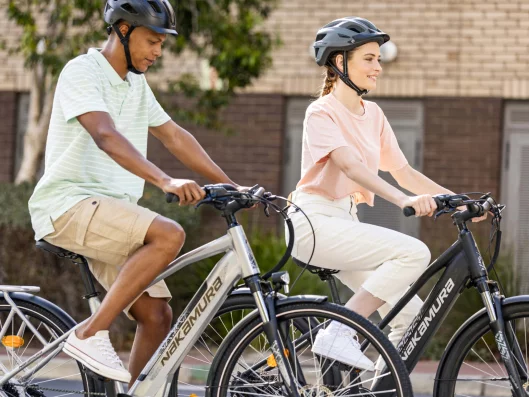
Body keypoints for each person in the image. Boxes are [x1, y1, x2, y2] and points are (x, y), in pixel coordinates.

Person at [28, 0, 245, 385]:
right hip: (68, 204)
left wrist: (231, 185)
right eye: (152, 41)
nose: (158, 52)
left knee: (157, 315)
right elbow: (105, 135)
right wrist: (165, 181)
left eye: (162, 43)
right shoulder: (82, 71)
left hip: (108, 211)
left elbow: (175, 136)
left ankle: (132, 393)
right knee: (168, 233)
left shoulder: (136, 84)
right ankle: (89, 333)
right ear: (124, 31)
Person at [288, 17, 487, 371]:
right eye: (369, 59)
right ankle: (337, 332)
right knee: (414, 252)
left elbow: (403, 172)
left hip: (344, 223)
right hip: (314, 223)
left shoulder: (373, 114)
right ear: (339, 61)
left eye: (379, 59)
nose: (378, 67)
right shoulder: (320, 112)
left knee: (408, 317)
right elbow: (351, 166)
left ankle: (375, 390)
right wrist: (403, 201)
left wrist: (459, 200)